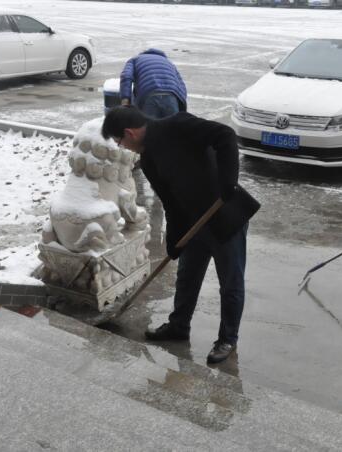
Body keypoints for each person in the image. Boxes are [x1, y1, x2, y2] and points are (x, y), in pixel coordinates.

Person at [101, 106, 260, 364]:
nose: (123, 147)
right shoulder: (149, 160)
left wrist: (228, 181)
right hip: (194, 225)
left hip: (224, 215)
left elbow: (226, 136)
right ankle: (178, 326)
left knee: (230, 283)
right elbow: (170, 202)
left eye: (120, 142)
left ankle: (227, 339)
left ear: (129, 133)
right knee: (187, 277)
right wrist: (174, 239)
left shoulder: (177, 125)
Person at [119, 49, 187, 119]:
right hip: (172, 97)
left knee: (151, 128)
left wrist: (125, 100)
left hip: (149, 95)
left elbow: (126, 76)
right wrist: (182, 107)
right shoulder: (169, 62)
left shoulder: (134, 60)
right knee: (172, 128)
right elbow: (182, 85)